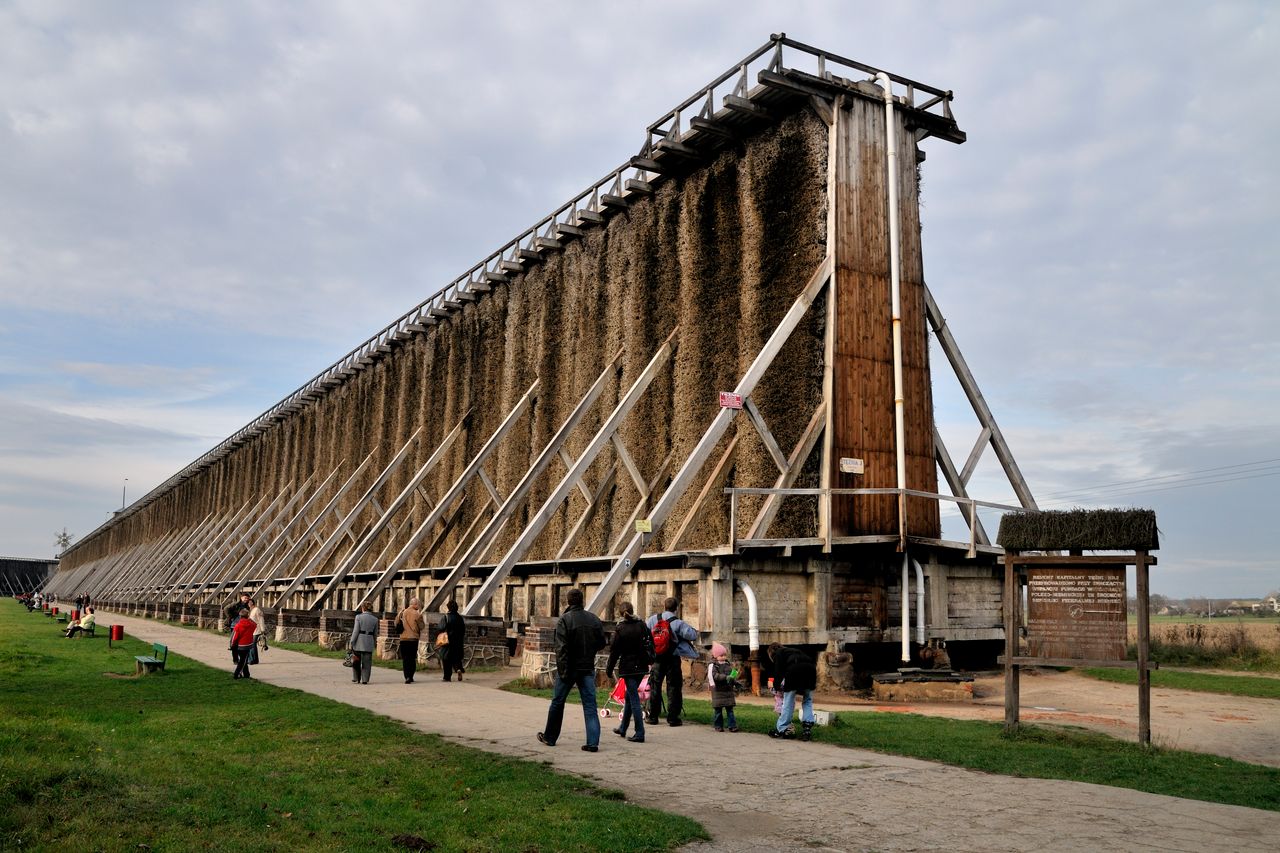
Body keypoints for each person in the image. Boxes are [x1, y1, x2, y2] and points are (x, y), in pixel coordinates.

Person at [538, 588, 606, 752]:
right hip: (587, 667)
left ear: (568, 602)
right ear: (582, 601)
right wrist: (589, 651)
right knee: (590, 706)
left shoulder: (565, 620)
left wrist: (562, 672)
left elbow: (561, 649)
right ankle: (593, 742)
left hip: (569, 668)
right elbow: (602, 643)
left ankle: (550, 737)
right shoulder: (594, 619)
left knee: (557, 702)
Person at [645, 596, 699, 726]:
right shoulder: (678, 623)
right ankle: (673, 717)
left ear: (664, 606)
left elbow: (645, 633)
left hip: (657, 658)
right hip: (672, 658)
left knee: (655, 686)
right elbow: (692, 635)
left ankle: (653, 716)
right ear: (676, 608)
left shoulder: (653, 619)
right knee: (674, 687)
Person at [605, 601, 653, 743]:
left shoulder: (621, 628)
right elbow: (649, 644)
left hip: (628, 667)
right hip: (641, 665)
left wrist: (609, 668)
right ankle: (623, 727)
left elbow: (615, 651)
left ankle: (639, 732)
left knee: (633, 699)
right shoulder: (642, 625)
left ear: (620, 614)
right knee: (629, 696)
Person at [768, 642, 817, 740]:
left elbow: (778, 673)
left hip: (794, 671)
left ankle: (781, 729)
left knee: (788, 701)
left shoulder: (778, 653)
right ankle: (807, 727)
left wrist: (776, 687)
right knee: (807, 700)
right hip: (811, 670)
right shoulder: (793, 651)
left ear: (771, 652)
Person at [707, 642, 739, 732]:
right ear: (715, 656)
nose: (723, 657)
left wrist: (735, 682)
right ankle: (718, 725)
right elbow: (714, 676)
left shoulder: (727, 665)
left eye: (724, 655)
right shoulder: (713, 666)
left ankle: (732, 726)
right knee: (718, 711)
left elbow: (731, 676)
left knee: (730, 710)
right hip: (718, 691)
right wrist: (725, 677)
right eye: (721, 655)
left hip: (728, 691)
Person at [394, 597, 425, 684]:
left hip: (403, 638)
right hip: (413, 639)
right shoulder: (417, 614)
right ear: (415, 604)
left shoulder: (402, 612)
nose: (419, 606)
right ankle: (410, 676)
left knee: (405, 658)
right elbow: (422, 627)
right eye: (418, 604)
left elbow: (396, 623)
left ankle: (406, 676)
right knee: (412, 658)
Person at [349, 602, 379, 685]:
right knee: (367, 662)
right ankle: (365, 679)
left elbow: (356, 631)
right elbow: (375, 633)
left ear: (363, 608)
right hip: (369, 641)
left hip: (359, 641)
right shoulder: (375, 619)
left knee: (356, 660)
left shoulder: (358, 617)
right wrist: (374, 642)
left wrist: (352, 641)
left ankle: (356, 677)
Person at [439, 599, 466, 682]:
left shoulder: (446, 617)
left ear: (448, 608)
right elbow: (463, 631)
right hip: (458, 642)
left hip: (447, 641)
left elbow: (441, 628)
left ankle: (447, 677)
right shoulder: (460, 618)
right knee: (456, 658)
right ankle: (458, 669)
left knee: (446, 659)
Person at [229, 608, 257, 679]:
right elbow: (255, 624)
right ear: (248, 616)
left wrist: (232, 644)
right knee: (243, 661)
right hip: (247, 645)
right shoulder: (251, 624)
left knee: (243, 660)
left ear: (240, 616)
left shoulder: (238, 625)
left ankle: (246, 674)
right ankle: (237, 674)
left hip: (239, 645)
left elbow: (234, 637)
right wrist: (249, 619)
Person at [248, 599, 266, 665]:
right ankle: (255, 660)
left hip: (257, 629)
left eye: (250, 602)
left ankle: (253, 660)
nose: (248, 604)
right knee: (252, 645)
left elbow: (261, 619)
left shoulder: (257, 610)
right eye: (248, 603)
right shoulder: (250, 610)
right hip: (251, 630)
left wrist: (262, 630)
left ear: (252, 602)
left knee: (252, 644)